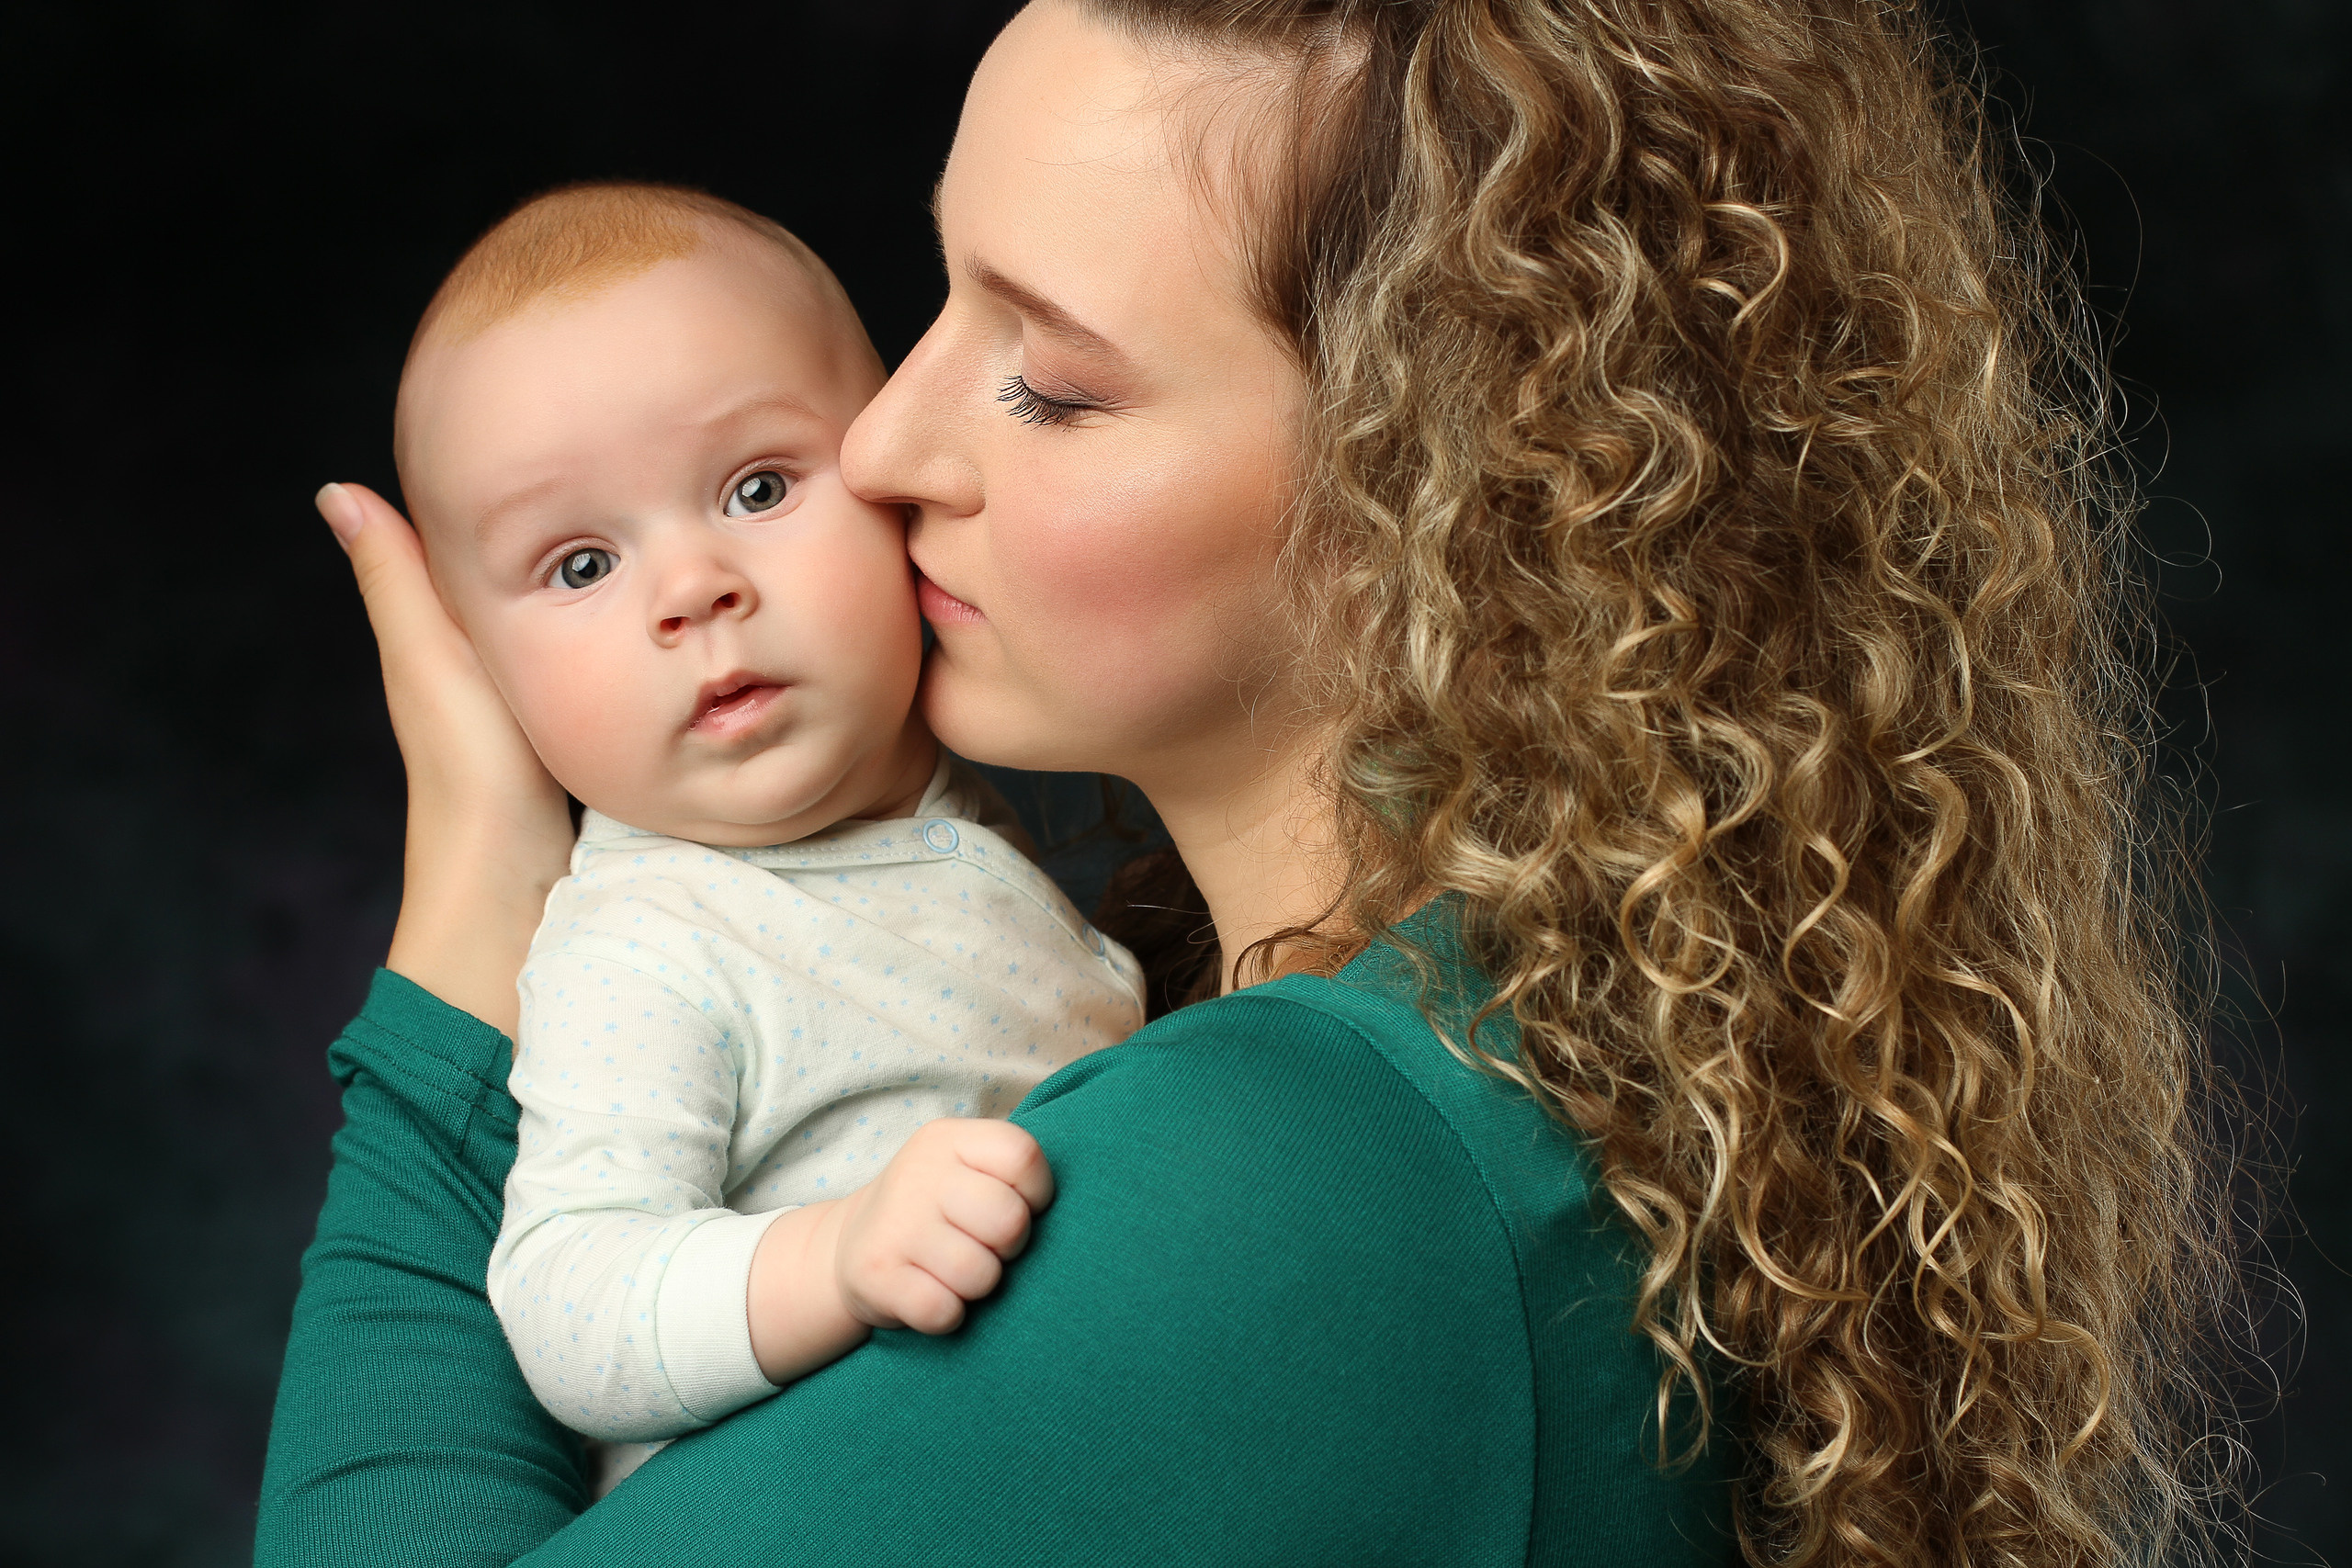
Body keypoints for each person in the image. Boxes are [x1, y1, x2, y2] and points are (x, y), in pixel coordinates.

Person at [257, 2, 2242, 1565]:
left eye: (1049, 378)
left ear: (1436, 497)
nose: (880, 441)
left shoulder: (1295, 1177)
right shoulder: (1469, 1039)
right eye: (938, 299)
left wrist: (473, 896)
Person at [381, 180, 1144, 1486]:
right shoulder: (650, 947)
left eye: (755, 485)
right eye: (580, 565)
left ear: (888, 475)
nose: (693, 589)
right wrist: (834, 1256)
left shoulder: (975, 810)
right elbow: (572, 1300)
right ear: (483, 670)